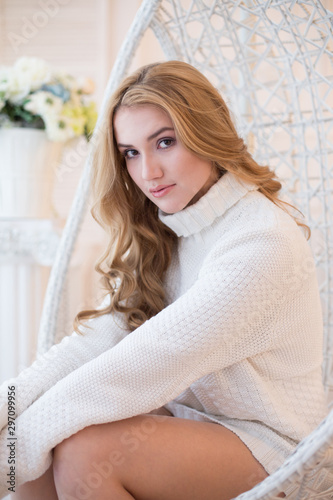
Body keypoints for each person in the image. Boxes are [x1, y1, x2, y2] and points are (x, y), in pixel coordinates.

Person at [0, 61, 329, 500]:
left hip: (277, 448)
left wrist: (6, 460)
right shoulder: (169, 228)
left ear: (206, 133)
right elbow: (93, 344)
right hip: (191, 429)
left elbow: (137, 367)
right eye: (131, 153)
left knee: (83, 452)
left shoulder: (259, 241)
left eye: (165, 142)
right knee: (41, 442)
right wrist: (7, 408)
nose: (148, 172)